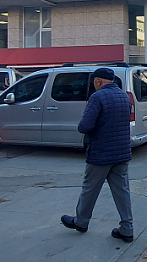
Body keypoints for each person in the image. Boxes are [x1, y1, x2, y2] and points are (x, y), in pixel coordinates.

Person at [61, 68, 134, 243]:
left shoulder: (97, 97)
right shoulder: (124, 97)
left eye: (94, 81)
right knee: (122, 191)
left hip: (101, 153)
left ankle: (81, 222)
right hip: (122, 153)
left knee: (90, 189)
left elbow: (84, 126)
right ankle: (127, 228)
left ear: (99, 81)